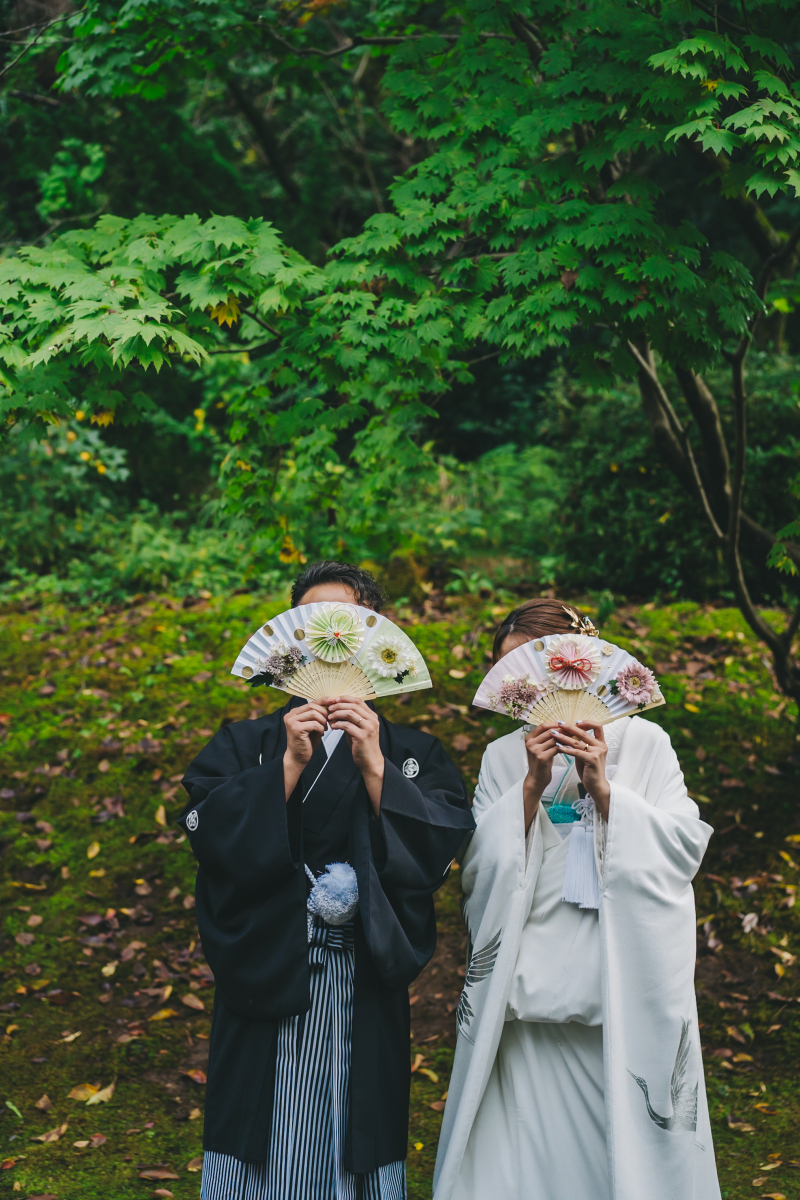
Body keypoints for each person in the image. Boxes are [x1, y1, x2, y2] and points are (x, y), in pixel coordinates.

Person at [178, 560, 474, 1200]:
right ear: (291, 641)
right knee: (258, 1127)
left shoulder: (413, 750)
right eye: (312, 626)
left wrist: (374, 766)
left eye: (348, 624)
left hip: (360, 977)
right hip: (269, 965)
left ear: (377, 637)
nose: (329, 642)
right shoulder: (249, 743)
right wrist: (286, 765)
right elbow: (209, 830)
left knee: (356, 1128)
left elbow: (439, 845)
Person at [434, 598, 721, 1200]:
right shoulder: (502, 756)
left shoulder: (647, 743)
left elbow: (680, 852)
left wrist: (606, 789)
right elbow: (479, 869)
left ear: (578, 665)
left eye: (536, 668)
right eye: (509, 674)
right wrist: (530, 787)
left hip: (613, 982)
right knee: (523, 1156)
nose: (524, 686)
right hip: (527, 981)